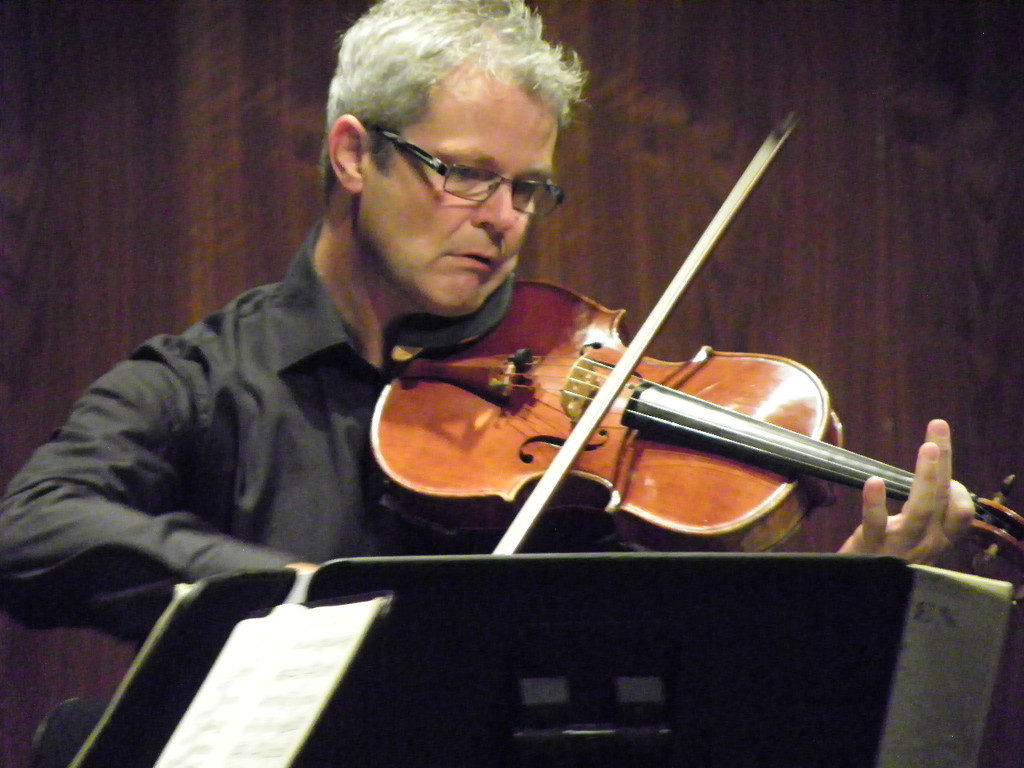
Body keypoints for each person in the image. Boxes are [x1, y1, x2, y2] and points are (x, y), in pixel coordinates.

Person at [0, 0, 975, 642]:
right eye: (466, 174)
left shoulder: (566, 390)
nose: (505, 220)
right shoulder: (208, 379)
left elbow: (664, 650)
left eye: (528, 187)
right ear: (354, 155)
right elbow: (35, 526)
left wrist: (843, 598)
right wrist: (289, 593)